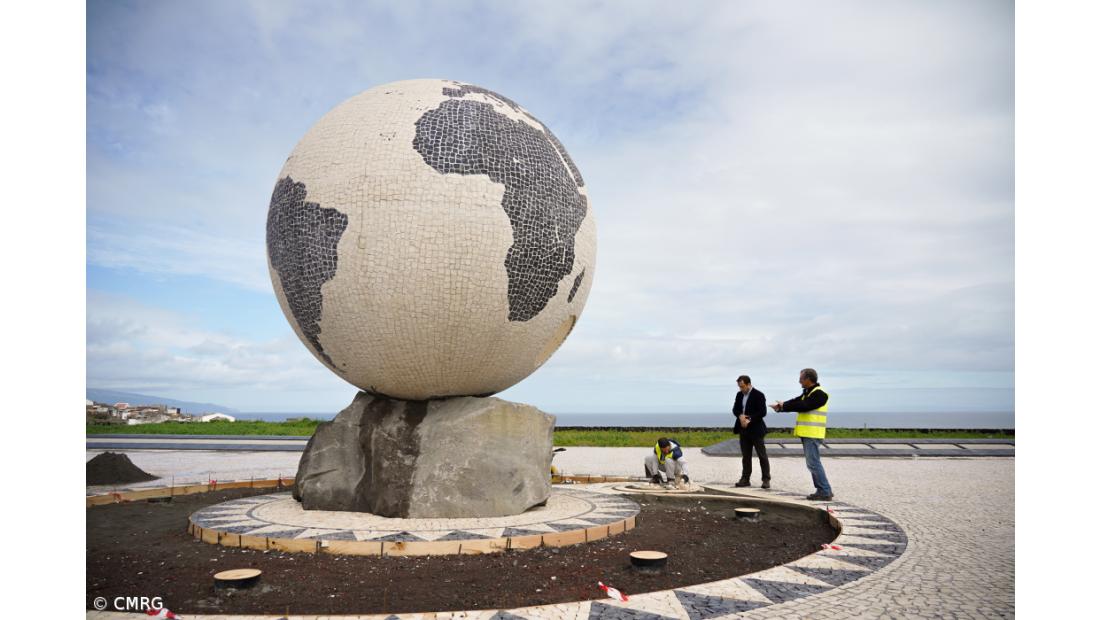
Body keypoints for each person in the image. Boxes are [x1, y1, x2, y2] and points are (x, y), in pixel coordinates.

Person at [770, 368, 833, 500]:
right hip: (807, 434)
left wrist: (785, 406)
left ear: (808, 379)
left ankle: (825, 490)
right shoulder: (808, 393)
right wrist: (780, 407)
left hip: (813, 434)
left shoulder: (820, 394)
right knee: (812, 462)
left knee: (813, 462)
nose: (799, 381)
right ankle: (822, 490)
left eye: (801, 378)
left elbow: (804, 405)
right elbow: (795, 402)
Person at [731, 375, 770, 488]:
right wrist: (740, 416)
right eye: (739, 387)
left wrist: (749, 419)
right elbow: (735, 409)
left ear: (748, 384)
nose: (741, 389)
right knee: (746, 456)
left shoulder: (759, 395)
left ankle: (766, 479)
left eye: (742, 387)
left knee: (762, 455)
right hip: (743, 429)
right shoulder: (739, 395)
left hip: (756, 429)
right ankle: (745, 479)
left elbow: (762, 412)